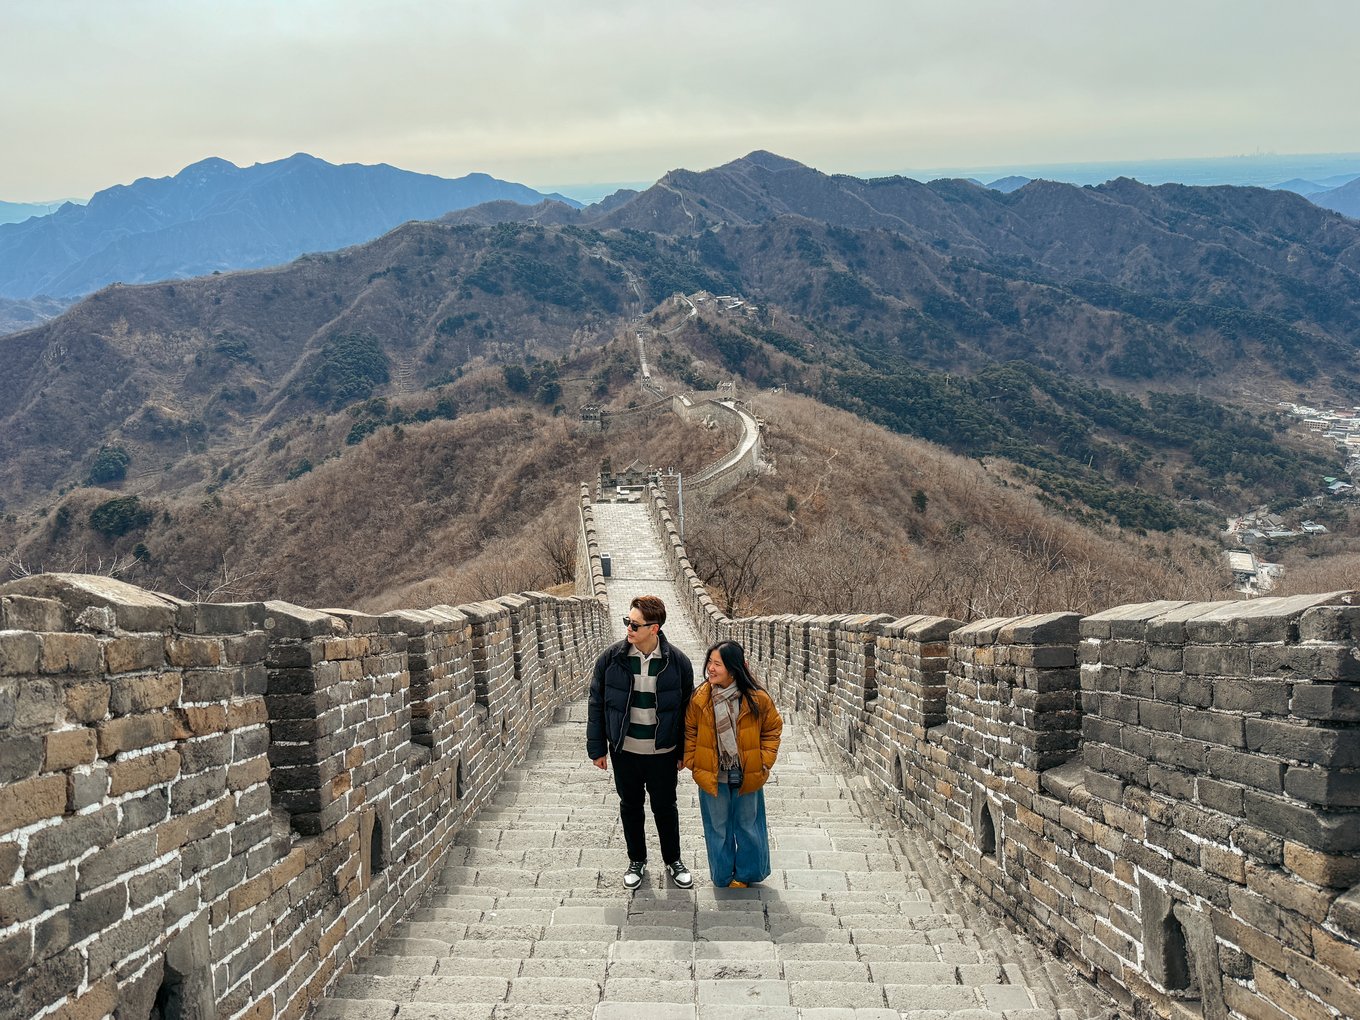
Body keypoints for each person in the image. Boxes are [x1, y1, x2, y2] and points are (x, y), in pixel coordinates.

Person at [587, 594, 695, 890]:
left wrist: (685, 751)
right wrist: (597, 748)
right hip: (625, 750)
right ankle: (636, 860)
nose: (628, 629)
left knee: (665, 806)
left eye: (635, 624)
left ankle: (673, 860)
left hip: (662, 752)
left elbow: (688, 711)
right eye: (627, 622)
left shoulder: (678, 663)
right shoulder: (612, 659)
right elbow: (596, 702)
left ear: (654, 628)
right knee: (630, 805)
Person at [684, 640, 782, 888]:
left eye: (718, 664)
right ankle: (723, 876)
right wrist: (694, 762)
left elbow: (773, 729)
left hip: (747, 773)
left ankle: (747, 874)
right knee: (717, 828)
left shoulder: (757, 699)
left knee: (748, 826)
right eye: (710, 662)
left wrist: (764, 762)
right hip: (712, 774)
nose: (711, 669)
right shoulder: (701, 698)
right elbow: (690, 731)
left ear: (734, 668)